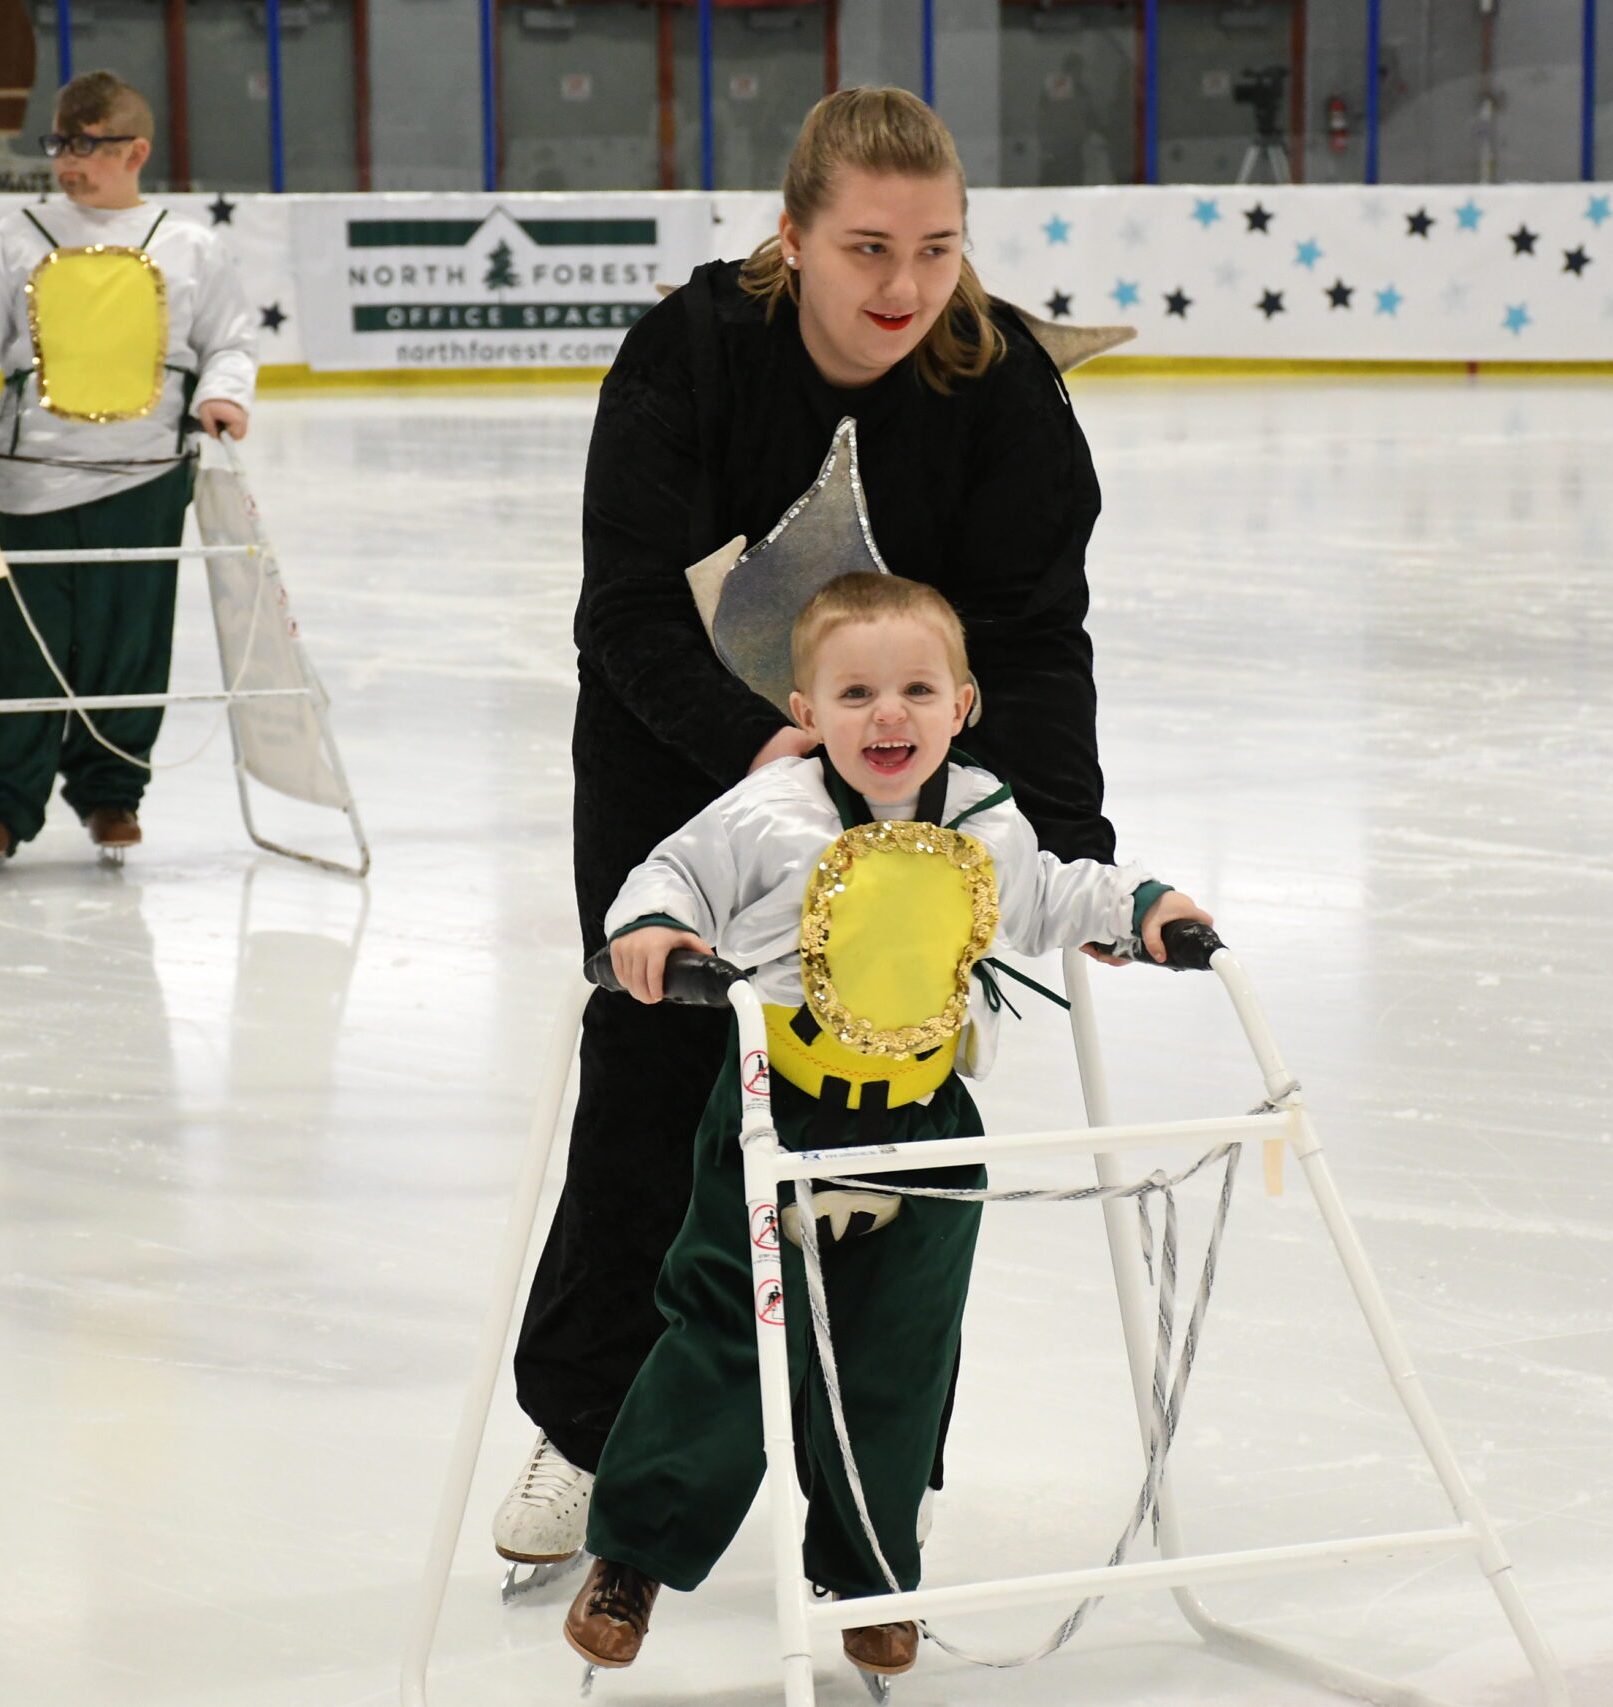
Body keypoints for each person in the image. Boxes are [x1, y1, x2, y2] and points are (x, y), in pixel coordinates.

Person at [500, 85, 1114, 1570]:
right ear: (792, 237)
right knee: (658, 1075)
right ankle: (591, 1424)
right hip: (678, 758)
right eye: (868, 249)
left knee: (892, 1095)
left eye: (937, 249)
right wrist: (763, 756)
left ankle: (875, 1465)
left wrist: (1059, 837)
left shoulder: (1000, 384)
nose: (906, 286)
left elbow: (1036, 633)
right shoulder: (692, 353)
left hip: (908, 784)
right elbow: (626, 611)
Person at [559, 573, 1211, 1679]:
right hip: (779, 1114)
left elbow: (1049, 894)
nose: (887, 715)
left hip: (926, 1123)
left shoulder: (985, 816)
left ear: (962, 704)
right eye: (854, 693)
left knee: (899, 1356)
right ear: (806, 713)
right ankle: (635, 1558)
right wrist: (658, 925)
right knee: (726, 1337)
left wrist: (1138, 907)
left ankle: (872, 1575)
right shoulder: (768, 813)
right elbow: (672, 874)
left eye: (916, 689)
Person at [0, 69, 256, 860]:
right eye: (59, 144)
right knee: (28, 649)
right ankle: (1, 806)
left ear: (134, 151)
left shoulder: (187, 245)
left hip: (148, 475)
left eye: (86, 145)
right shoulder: (21, 234)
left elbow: (230, 340)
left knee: (129, 645)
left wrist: (223, 396)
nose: (67, 162)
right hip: (34, 474)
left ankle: (112, 793)